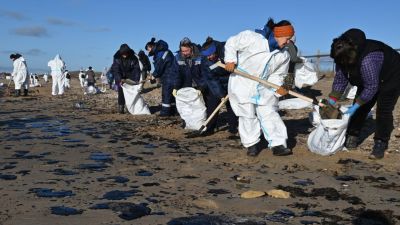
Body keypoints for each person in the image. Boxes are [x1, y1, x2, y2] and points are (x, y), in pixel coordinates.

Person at [224, 18, 295, 157]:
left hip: (264, 86)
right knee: (247, 115)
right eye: (287, 39)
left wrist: (279, 87)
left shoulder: (284, 54)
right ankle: (252, 144)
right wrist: (230, 60)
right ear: (279, 34)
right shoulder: (252, 38)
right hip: (242, 82)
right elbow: (231, 43)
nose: (288, 42)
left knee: (270, 112)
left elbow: (279, 73)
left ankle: (278, 144)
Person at [327, 28, 400, 159]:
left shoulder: (368, 59)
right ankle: (352, 136)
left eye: (343, 61)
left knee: (383, 110)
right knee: (360, 108)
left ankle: (380, 142)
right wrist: (332, 100)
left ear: (352, 55)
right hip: (368, 77)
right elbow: (340, 79)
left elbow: (371, 87)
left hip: (392, 76)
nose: (341, 64)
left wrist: (355, 106)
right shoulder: (341, 54)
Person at [200, 37, 238, 135]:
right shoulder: (206, 61)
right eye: (206, 56)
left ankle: (233, 128)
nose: (208, 57)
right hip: (218, 82)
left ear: (215, 51)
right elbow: (211, 79)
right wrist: (220, 94)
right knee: (212, 104)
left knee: (232, 105)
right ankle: (209, 128)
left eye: (210, 55)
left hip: (233, 79)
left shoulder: (227, 49)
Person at [145, 37, 180, 116]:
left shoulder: (162, 53)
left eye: (148, 49)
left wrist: (154, 75)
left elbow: (160, 66)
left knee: (166, 94)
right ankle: (173, 111)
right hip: (170, 76)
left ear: (151, 46)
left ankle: (165, 112)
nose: (148, 51)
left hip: (169, 76)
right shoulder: (161, 52)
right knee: (171, 96)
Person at [111, 43, 141, 114]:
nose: (124, 54)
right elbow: (116, 70)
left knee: (130, 92)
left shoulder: (134, 58)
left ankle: (129, 108)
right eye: (123, 53)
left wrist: (135, 80)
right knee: (121, 92)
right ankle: (121, 107)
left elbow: (136, 70)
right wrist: (119, 79)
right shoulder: (116, 58)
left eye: (126, 53)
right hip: (120, 77)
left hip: (130, 77)